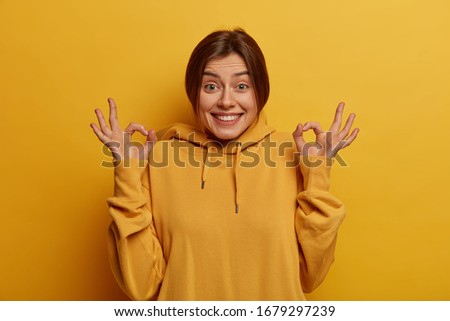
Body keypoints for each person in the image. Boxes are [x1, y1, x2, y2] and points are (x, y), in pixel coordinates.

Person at [90, 28, 359, 300]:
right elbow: (142, 285)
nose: (227, 101)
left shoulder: (296, 153)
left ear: (261, 92)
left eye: (242, 86)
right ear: (194, 92)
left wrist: (318, 173)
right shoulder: (157, 158)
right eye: (211, 86)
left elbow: (311, 276)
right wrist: (127, 173)